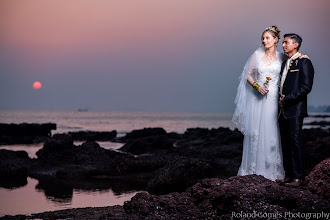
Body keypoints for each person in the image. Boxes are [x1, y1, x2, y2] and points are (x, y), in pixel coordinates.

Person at [232, 25, 285, 181]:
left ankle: (271, 171)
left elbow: (294, 62)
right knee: (256, 132)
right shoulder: (257, 54)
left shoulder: (282, 57)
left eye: (268, 38)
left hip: (273, 98)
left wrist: (302, 56)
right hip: (258, 98)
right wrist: (257, 86)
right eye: (263, 38)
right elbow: (247, 75)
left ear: (276, 40)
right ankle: (253, 169)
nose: (264, 41)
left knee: (271, 131)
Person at [278, 33, 314, 187]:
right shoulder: (285, 63)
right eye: (283, 42)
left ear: (295, 45)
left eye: (286, 42)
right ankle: (289, 176)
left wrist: (288, 98)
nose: (283, 45)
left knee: (296, 142)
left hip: (295, 109)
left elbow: (306, 87)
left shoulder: (304, 62)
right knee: (285, 143)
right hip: (282, 111)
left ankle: (299, 178)